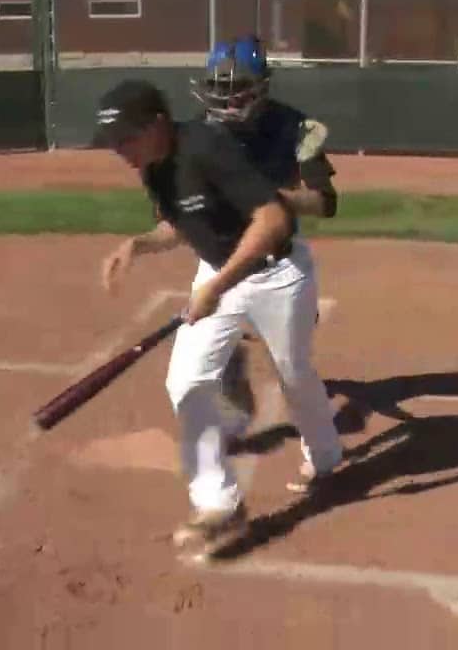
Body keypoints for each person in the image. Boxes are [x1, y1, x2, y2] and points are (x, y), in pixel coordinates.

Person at [92, 78, 344, 560]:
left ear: (158, 124)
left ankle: (326, 452)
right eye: (113, 142)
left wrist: (217, 287)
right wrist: (139, 244)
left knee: (293, 375)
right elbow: (187, 222)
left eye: (127, 137)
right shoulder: (153, 167)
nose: (120, 149)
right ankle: (218, 503)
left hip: (276, 275)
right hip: (219, 274)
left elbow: (272, 220)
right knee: (185, 381)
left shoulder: (207, 148)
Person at [190, 35, 340, 443]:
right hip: (223, 256)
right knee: (204, 358)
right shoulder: (197, 136)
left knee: (290, 365)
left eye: (239, 88)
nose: (230, 98)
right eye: (221, 88)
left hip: (279, 259)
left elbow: (325, 202)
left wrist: (269, 199)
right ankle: (232, 378)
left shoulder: (295, 128)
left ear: (261, 86)